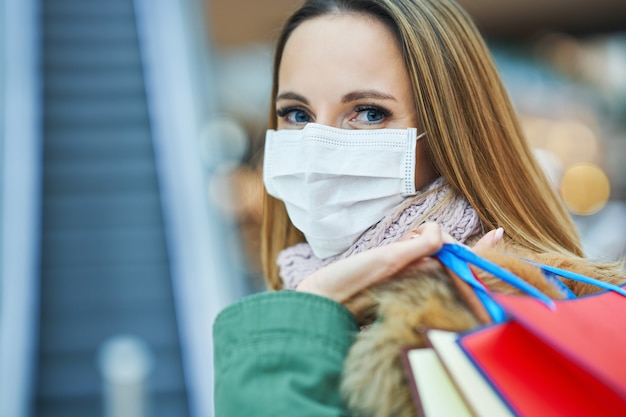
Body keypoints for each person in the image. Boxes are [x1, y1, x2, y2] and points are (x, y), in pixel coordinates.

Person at [212, 0, 624, 416]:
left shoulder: (505, 317)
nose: (317, 147)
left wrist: (283, 346)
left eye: (369, 113)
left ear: (453, 133)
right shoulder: (299, 295)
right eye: (296, 114)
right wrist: (309, 310)